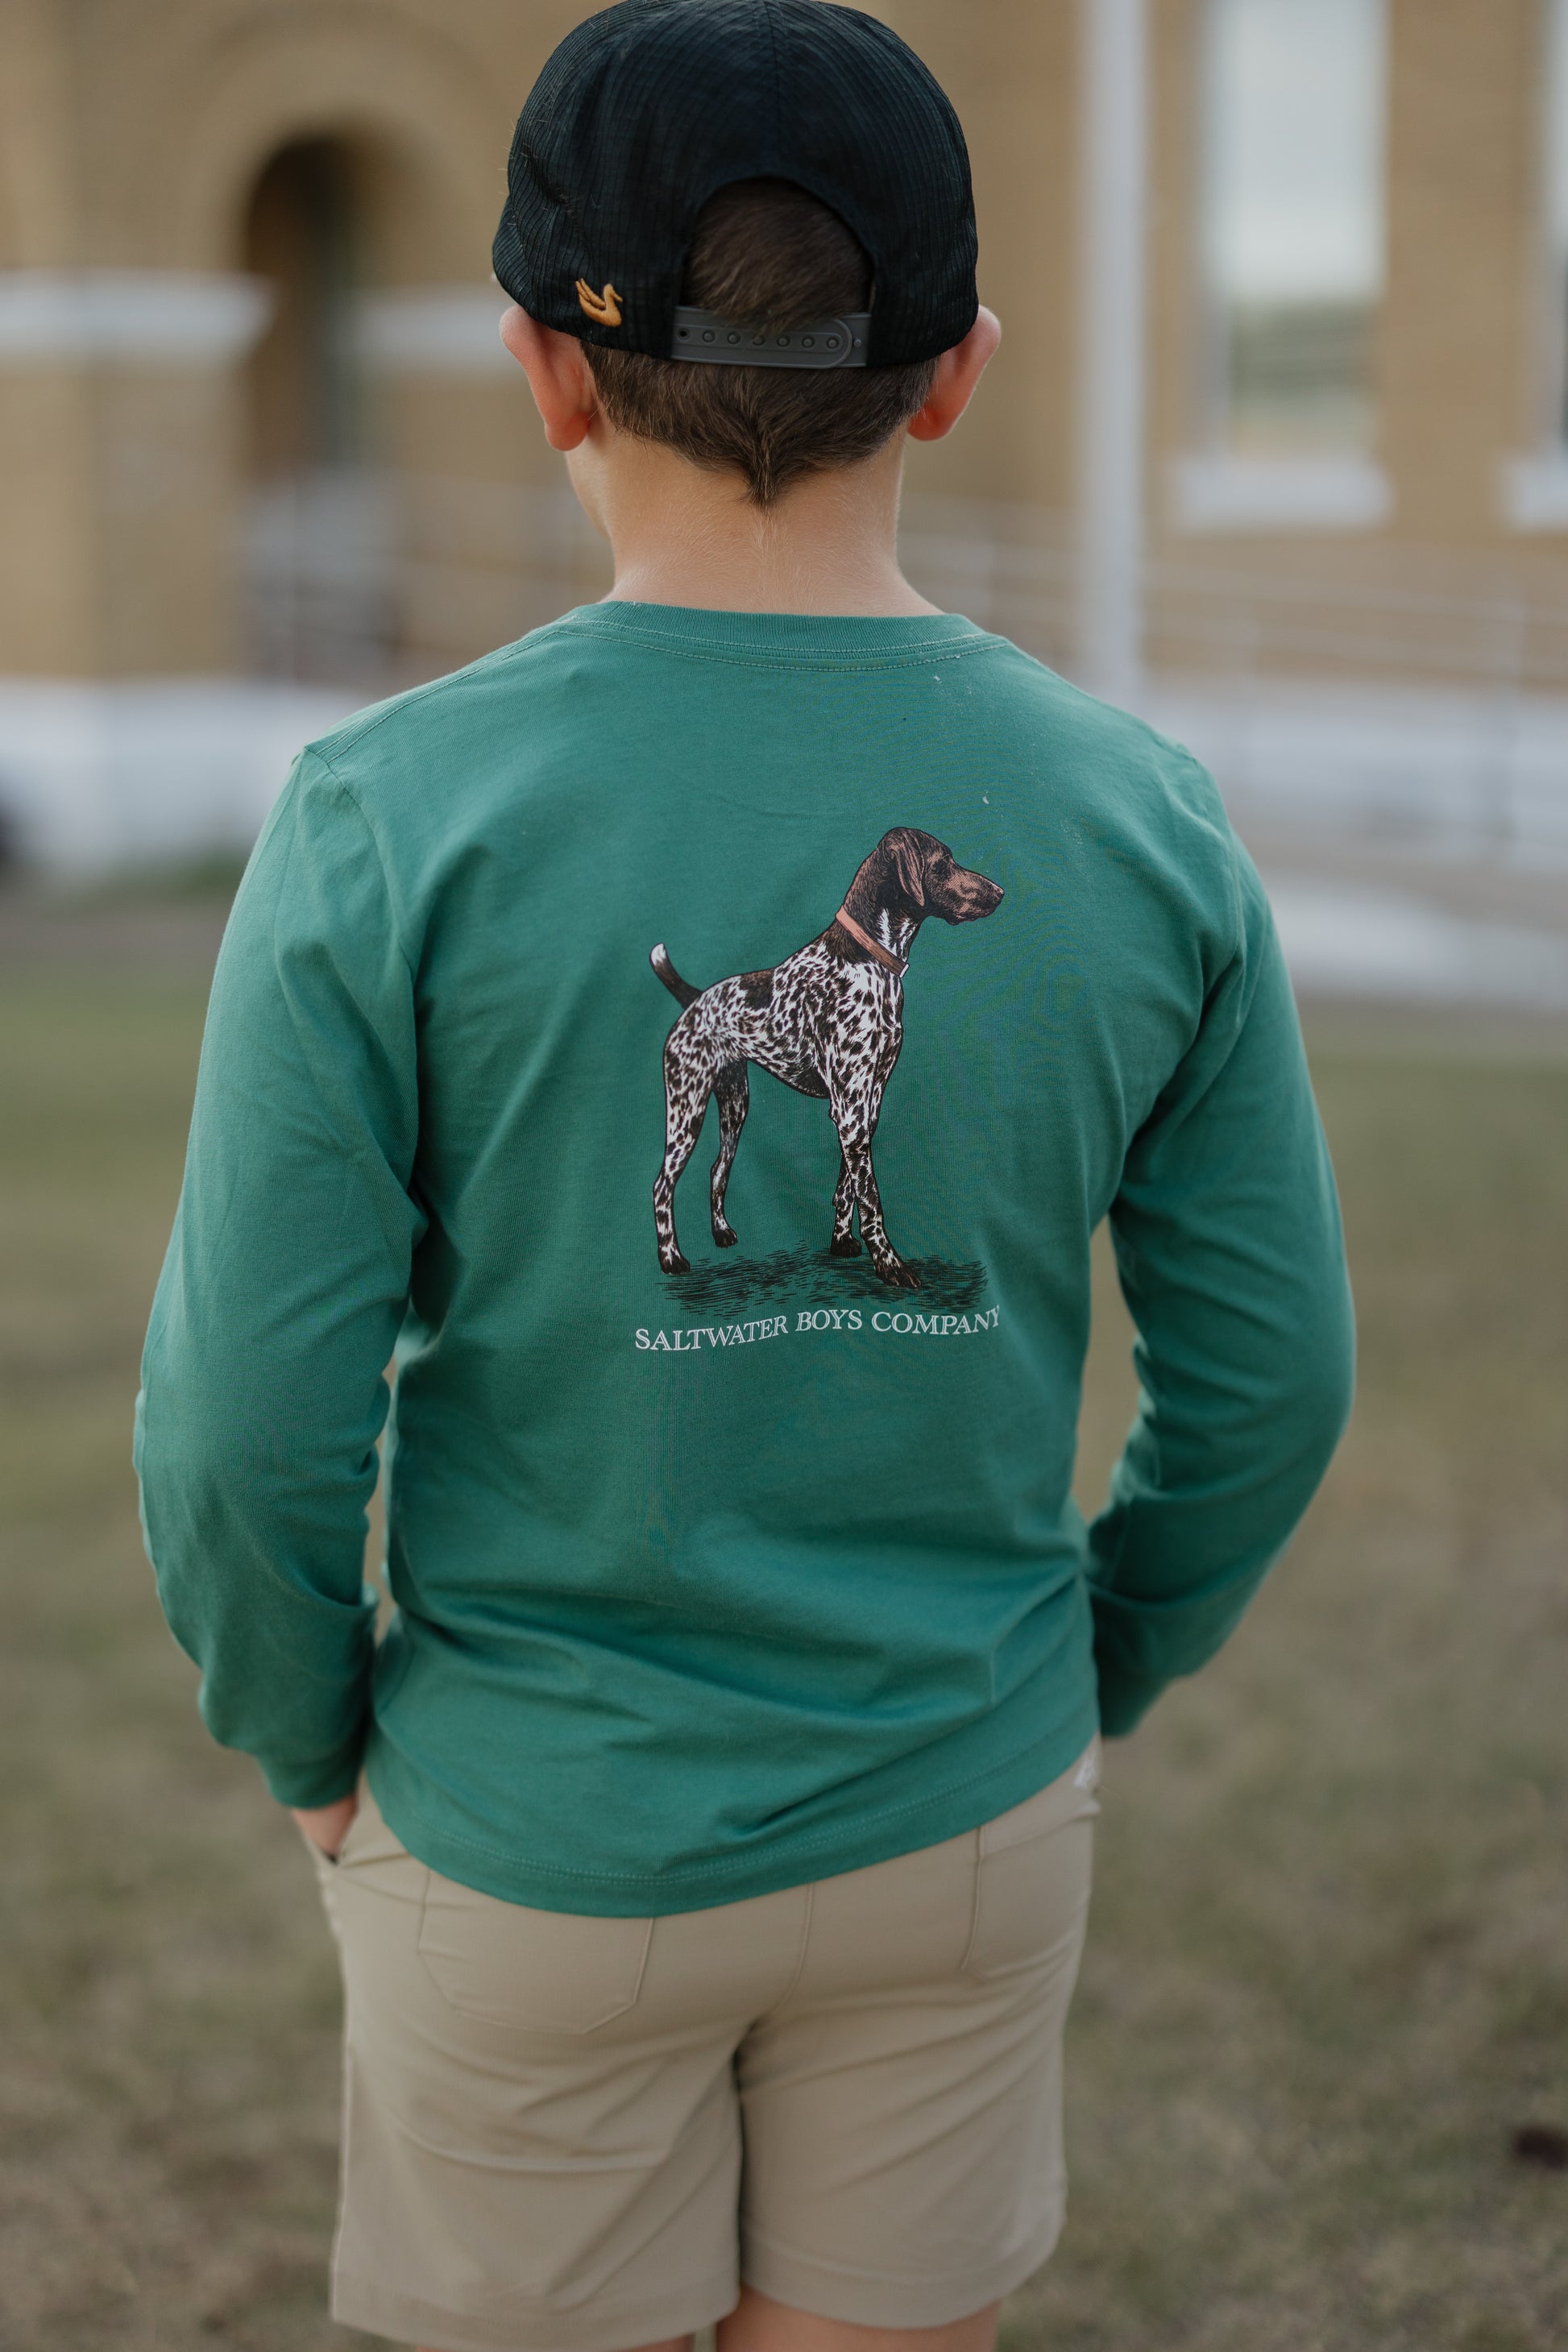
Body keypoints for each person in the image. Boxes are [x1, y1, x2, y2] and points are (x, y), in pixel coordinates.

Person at [135, 5, 1355, 2350]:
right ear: (957, 373)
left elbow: (240, 1431)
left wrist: (302, 1743)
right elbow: (1274, 1381)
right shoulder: (1149, 820)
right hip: (962, 1814)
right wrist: (1087, 1671)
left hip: (538, 1835)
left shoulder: (384, 820)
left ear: (541, 371)